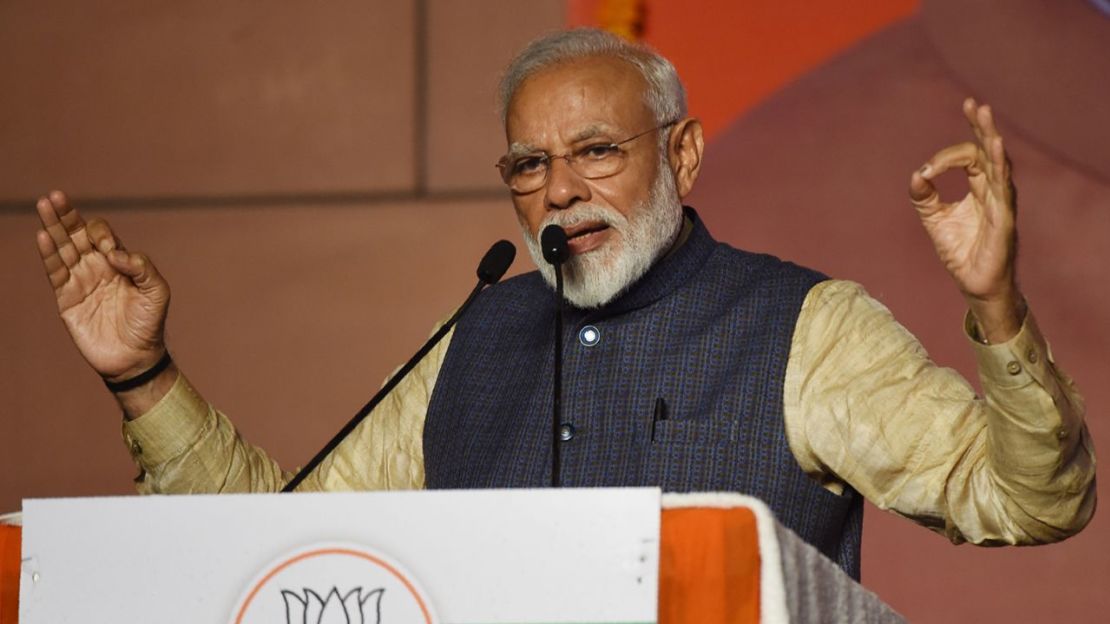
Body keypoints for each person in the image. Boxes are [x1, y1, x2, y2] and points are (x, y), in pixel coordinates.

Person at [34, 29, 1094, 579]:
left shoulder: (807, 331)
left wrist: (997, 308)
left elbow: (1030, 502)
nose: (559, 190)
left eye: (596, 152)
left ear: (682, 152)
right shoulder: (474, 337)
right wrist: (144, 379)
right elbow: (284, 561)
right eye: (528, 164)